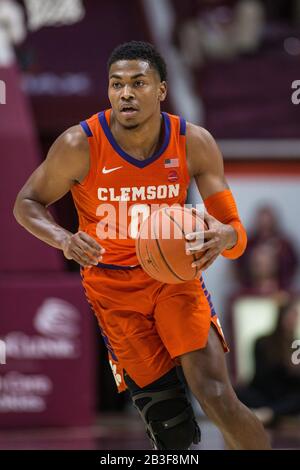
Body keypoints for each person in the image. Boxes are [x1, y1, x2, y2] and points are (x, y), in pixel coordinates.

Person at [13, 40, 270, 450]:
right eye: (116, 84)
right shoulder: (79, 144)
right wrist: (63, 239)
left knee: (218, 397)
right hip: (113, 292)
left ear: (162, 90)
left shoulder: (193, 142)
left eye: (138, 82)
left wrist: (224, 236)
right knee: (173, 434)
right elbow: (25, 203)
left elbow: (236, 236)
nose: (126, 93)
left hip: (174, 283)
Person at [236, 298, 300, 427]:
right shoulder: (262, 341)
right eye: (291, 315)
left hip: (286, 395)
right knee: (237, 392)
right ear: (281, 315)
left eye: (296, 316)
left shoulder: (296, 345)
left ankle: (270, 413)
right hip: (264, 392)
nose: (293, 319)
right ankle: (271, 412)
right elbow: (260, 375)